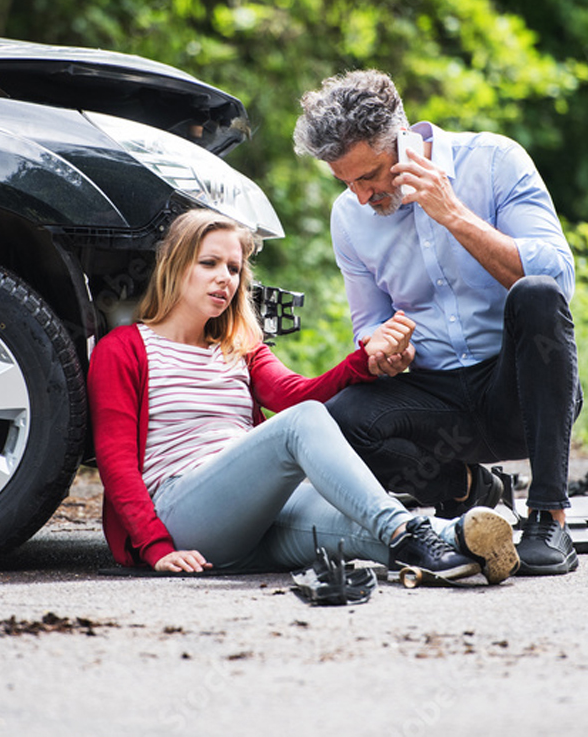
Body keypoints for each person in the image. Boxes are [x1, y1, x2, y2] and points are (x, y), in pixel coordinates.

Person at [87, 208, 519, 584]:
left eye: (234, 269)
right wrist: (156, 546)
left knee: (353, 519)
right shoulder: (125, 349)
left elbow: (295, 395)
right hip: (183, 516)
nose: (225, 278)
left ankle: (461, 540)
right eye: (209, 263)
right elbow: (116, 461)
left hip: (250, 519)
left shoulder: (241, 348)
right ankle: (411, 536)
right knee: (304, 426)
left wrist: (363, 363)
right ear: (176, 266)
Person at [293, 70, 582, 576]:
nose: (362, 196)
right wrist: (381, 349)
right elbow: (368, 323)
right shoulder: (349, 217)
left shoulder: (494, 160)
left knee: (535, 293)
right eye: (346, 182)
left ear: (405, 145)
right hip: (436, 402)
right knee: (334, 420)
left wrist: (453, 214)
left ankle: (549, 517)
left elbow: (556, 278)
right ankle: (464, 488)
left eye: (370, 176)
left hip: (517, 390)